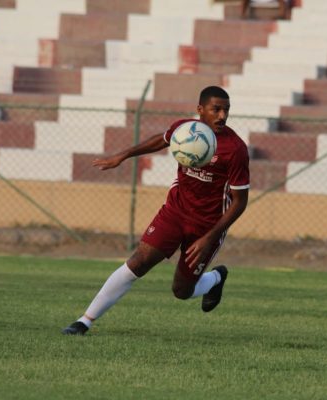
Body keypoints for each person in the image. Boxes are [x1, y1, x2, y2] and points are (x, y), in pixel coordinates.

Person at [61, 86, 250, 335]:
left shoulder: (235, 149)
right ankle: (84, 321)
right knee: (138, 262)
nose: (222, 116)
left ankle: (215, 278)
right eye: (216, 109)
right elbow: (161, 140)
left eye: (226, 110)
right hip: (175, 212)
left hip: (207, 225)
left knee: (181, 291)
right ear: (200, 110)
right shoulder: (184, 130)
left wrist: (209, 238)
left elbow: (239, 202)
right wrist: (123, 155)